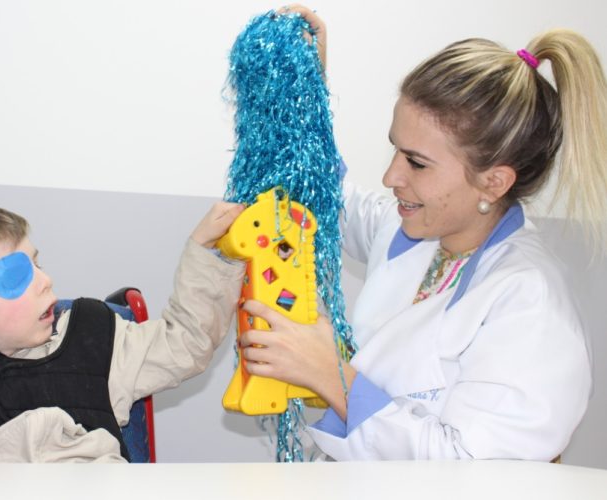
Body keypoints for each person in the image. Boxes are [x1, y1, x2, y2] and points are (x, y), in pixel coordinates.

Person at [239, 5, 606, 461]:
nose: (391, 176)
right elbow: (324, 199)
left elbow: (473, 473)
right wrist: (305, 93)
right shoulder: (416, 230)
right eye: (395, 149)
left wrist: (332, 375)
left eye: (416, 162)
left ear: (494, 182)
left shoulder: (531, 304)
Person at [0, 201, 245, 462]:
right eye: (16, 276)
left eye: (37, 262)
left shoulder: (98, 342)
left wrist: (210, 253)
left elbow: (186, 344)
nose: (45, 280)